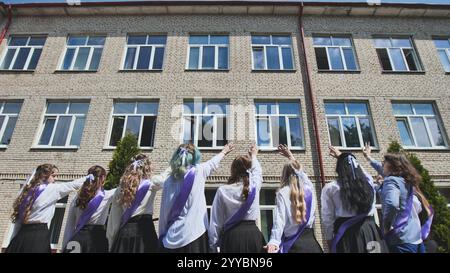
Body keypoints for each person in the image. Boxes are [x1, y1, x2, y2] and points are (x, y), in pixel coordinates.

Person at [159, 143, 234, 253]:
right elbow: (212, 163)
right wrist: (224, 152)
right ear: (195, 156)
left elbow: (164, 212)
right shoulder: (199, 171)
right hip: (195, 236)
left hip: (171, 239)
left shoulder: (168, 181)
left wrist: (162, 235)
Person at [362, 143, 433, 253]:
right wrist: (368, 157)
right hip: (415, 237)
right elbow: (382, 170)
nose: (382, 164)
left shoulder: (392, 180)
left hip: (401, 239)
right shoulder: (405, 180)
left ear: (391, 166)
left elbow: (392, 204)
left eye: (384, 163)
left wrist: (386, 226)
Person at [6, 164, 85, 253]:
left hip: (21, 236)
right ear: (45, 175)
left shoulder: (27, 192)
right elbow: (72, 185)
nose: (55, 179)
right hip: (38, 235)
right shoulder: (51, 189)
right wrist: (89, 177)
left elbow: (17, 223)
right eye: (53, 176)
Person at [321, 146, 382, 253]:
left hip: (347, 235)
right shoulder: (368, 183)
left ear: (338, 169)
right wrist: (344, 157)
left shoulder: (331, 188)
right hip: (369, 230)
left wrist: (329, 239)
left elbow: (327, 218)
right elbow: (362, 172)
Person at [107, 154, 171, 253]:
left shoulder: (121, 188)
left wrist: (111, 242)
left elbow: (114, 220)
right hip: (145, 232)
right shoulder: (152, 183)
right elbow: (165, 177)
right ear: (148, 167)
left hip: (124, 235)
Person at [265, 144, 323, 253]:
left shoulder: (282, 193)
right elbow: (303, 174)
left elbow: (280, 220)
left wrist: (274, 241)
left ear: (284, 175)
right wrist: (291, 157)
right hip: (312, 244)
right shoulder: (310, 189)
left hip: (293, 245)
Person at [209, 144, 266, 253]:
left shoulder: (223, 190)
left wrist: (213, 246)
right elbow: (257, 171)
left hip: (231, 238)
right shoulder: (254, 186)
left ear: (233, 170)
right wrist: (254, 156)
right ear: (249, 170)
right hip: (253, 237)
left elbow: (216, 222)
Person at [62, 165, 115, 253]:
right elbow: (122, 189)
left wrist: (65, 246)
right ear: (103, 178)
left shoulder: (77, 197)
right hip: (96, 238)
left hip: (77, 238)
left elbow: (69, 225)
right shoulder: (107, 195)